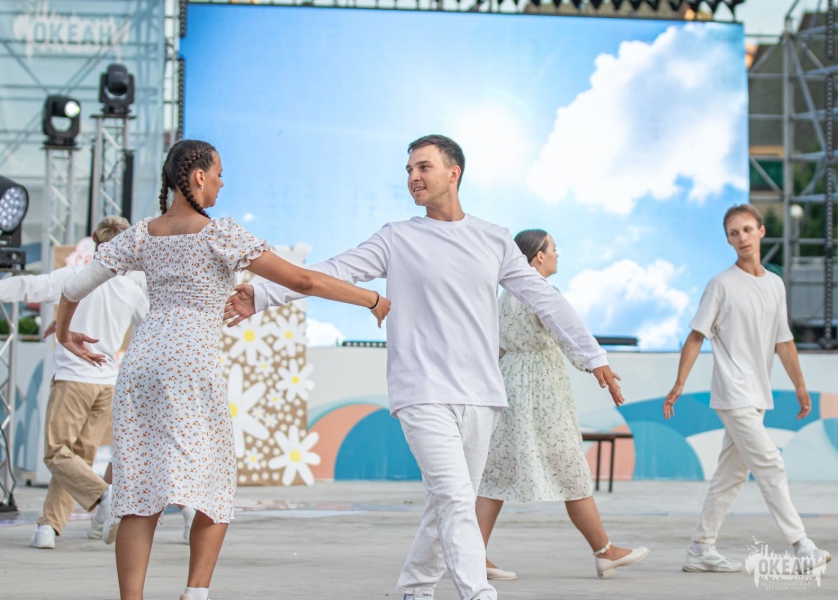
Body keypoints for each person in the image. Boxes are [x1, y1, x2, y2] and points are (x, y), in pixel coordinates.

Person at [227, 135, 624, 600]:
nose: (413, 177)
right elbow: (336, 270)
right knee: (456, 499)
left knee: (447, 503)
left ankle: (415, 589)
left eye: (423, 167)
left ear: (454, 173)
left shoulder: (494, 238)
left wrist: (593, 355)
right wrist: (264, 294)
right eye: (409, 170)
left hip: (482, 396)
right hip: (421, 392)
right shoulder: (397, 238)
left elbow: (544, 300)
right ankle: (478, 593)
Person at [55, 139, 390, 600]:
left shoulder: (141, 234)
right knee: (213, 484)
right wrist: (371, 299)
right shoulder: (220, 234)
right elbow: (303, 280)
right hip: (191, 362)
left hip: (142, 361)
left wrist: (64, 333)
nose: (221, 183)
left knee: (138, 490)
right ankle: (195, 593)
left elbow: (73, 288)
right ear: (198, 177)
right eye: (218, 174)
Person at [0, 216, 148, 550]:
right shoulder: (130, 290)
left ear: (95, 240)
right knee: (77, 460)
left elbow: (31, 286)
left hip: (74, 379)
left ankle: (104, 496)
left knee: (57, 454)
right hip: (107, 383)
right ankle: (49, 527)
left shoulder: (77, 276)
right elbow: (150, 328)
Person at [664, 203, 831, 574]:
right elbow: (696, 336)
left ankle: (700, 549)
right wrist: (678, 384)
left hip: (757, 393)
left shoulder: (775, 284)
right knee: (770, 463)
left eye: (746, 229)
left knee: (732, 475)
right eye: (733, 233)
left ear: (761, 231)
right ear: (728, 240)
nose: (741, 237)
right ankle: (801, 545)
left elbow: (784, 340)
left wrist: (800, 386)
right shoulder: (721, 285)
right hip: (733, 392)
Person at [475, 229, 648, 580]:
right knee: (569, 466)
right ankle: (604, 551)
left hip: (509, 384)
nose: (557, 254)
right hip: (542, 388)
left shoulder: (503, 297)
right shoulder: (542, 292)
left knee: (495, 473)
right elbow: (566, 333)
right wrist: (596, 366)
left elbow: (495, 347)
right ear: (539, 255)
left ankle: (472, 555)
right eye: (553, 249)